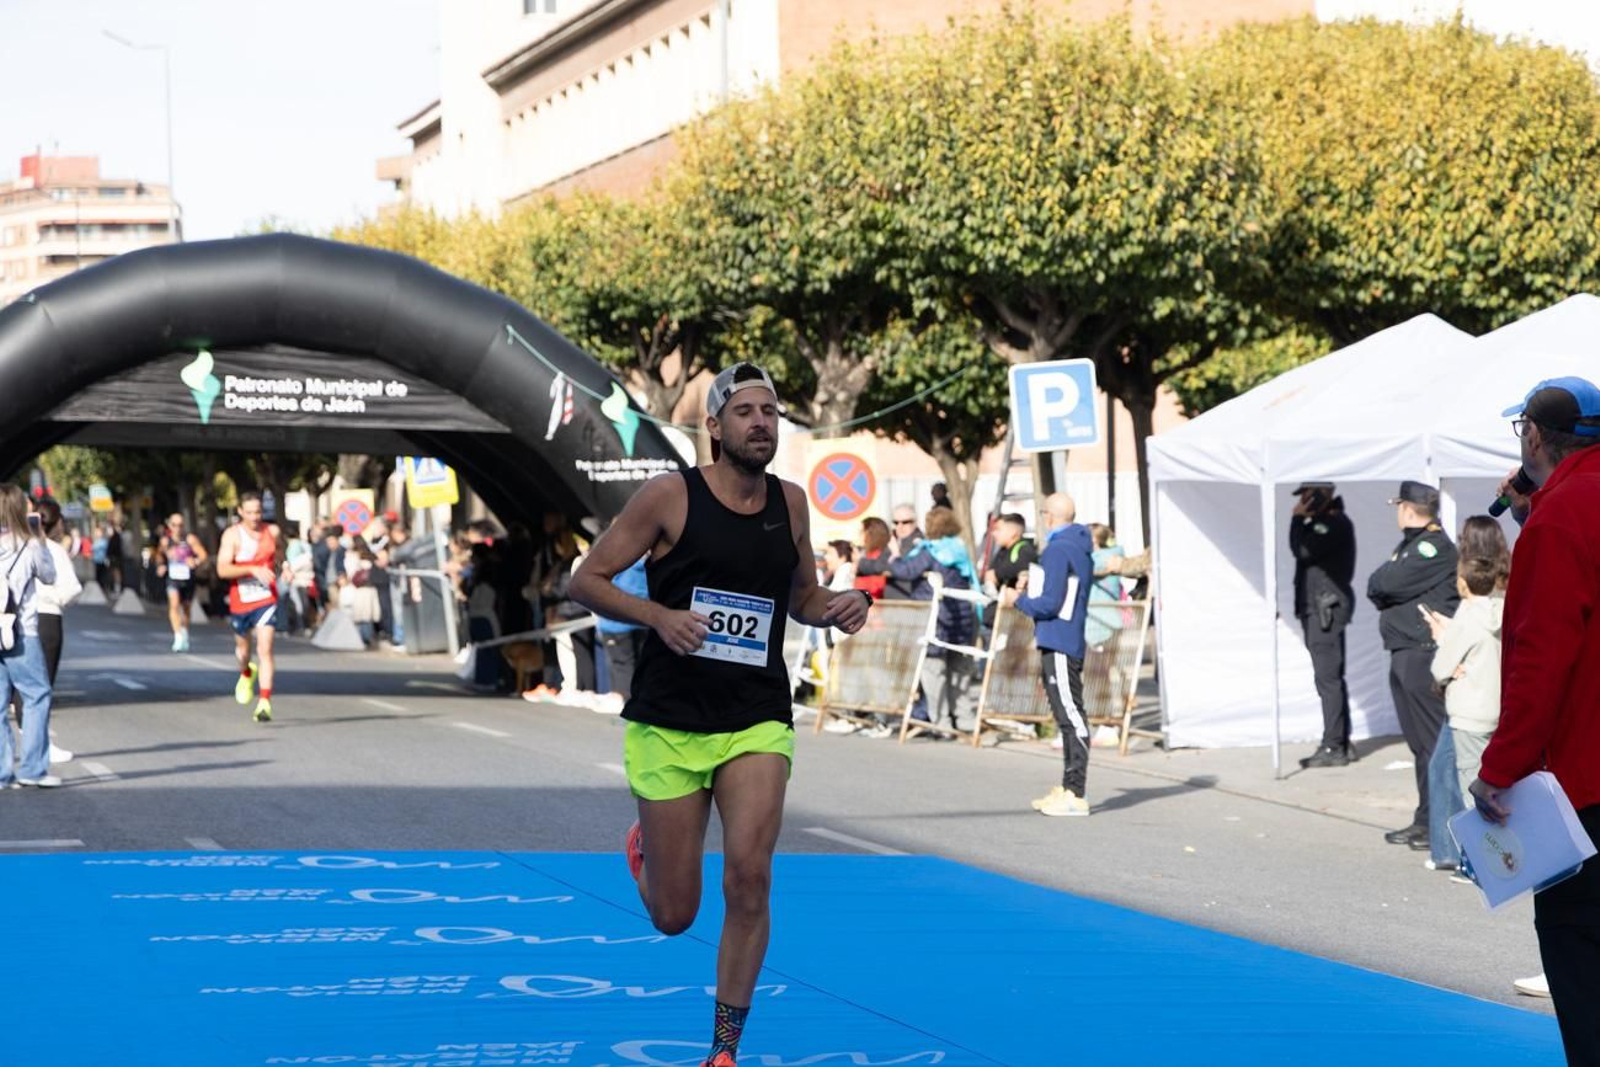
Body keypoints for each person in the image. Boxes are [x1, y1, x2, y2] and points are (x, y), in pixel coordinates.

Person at [568, 362, 869, 1067]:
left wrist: (841, 604)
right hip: (670, 718)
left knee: (750, 875)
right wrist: (657, 616)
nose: (762, 422)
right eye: (747, 412)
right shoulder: (669, 495)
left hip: (756, 715)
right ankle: (645, 852)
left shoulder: (791, 503)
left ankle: (723, 1050)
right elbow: (586, 578)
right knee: (675, 915)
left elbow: (803, 597)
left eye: (771, 412)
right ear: (714, 426)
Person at [1468, 377, 1600, 1063]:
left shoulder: (1562, 514)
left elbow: (1541, 660)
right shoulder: (1557, 510)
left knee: (1582, 958)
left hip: (1585, 779)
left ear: (1533, 437)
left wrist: (1498, 771)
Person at [1366, 480, 1458, 851]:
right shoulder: (1412, 545)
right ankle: (1427, 818)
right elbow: (1378, 585)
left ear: (1408, 508)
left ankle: (1441, 823)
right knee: (1421, 743)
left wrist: (1384, 584)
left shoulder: (1430, 546)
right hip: (1406, 651)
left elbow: (1384, 583)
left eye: (1399, 506)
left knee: (1432, 743)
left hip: (1421, 653)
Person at [1005, 493, 1095, 817]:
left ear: (1050, 517)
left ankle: (1076, 791)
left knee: (1070, 715)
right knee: (1065, 715)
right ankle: (1069, 786)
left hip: (1059, 638)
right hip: (1063, 636)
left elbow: (1049, 603)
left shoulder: (1059, 549)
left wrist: (1018, 599)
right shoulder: (1077, 547)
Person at [1423, 534, 1506, 861]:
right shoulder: (1502, 609)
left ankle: (1478, 858)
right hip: (1497, 706)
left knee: (1472, 785)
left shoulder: (1468, 616)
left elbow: (1441, 668)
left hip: (1469, 712)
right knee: (1495, 781)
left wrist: (1442, 639)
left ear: (1462, 583)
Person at [887, 506, 982, 735]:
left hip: (935, 622)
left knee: (933, 673)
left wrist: (894, 555)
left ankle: (942, 723)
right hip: (962, 621)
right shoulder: (959, 550)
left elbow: (906, 571)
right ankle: (965, 719)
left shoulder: (931, 551)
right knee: (960, 672)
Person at [1288, 482, 1358, 769]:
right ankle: (1341, 741)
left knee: (1328, 680)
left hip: (1324, 610)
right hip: (1316, 608)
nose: (1303, 502)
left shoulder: (1333, 522)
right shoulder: (1318, 522)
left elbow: (1302, 551)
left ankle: (1334, 746)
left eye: (1307, 495)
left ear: (1319, 495)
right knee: (1330, 679)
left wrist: (1296, 519)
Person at [0, 484, 59, 787]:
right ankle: (32, 770)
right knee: (36, 696)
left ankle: (1, 772)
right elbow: (50, 576)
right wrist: (40, 539)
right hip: (22, 631)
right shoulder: (29, 543)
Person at [215, 493, 284, 724]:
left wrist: (286, 567)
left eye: (258, 512)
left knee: (265, 648)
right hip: (241, 600)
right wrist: (252, 569)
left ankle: (264, 702)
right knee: (244, 652)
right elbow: (222, 570)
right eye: (250, 512)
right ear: (241, 512)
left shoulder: (271, 532)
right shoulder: (232, 535)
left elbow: (280, 555)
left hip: (266, 598)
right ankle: (246, 672)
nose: (255, 517)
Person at [27, 496, 79, 766]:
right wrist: (56, 598)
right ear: (57, 522)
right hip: (48, 618)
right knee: (42, 684)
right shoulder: (53, 550)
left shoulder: (20, 545)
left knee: (18, 685)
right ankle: (40, 744)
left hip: (19, 617)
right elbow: (70, 588)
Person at [1082, 523, 1127, 717]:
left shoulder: (1100, 560)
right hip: (1104, 623)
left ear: (1093, 540)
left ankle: (1109, 720)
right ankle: (1109, 717)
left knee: (1101, 675)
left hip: (1101, 625)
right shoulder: (1110, 557)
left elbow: (1087, 568)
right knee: (1106, 674)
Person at [157, 512, 209, 653]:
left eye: (180, 525)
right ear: (170, 526)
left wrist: (195, 561)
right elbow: (159, 556)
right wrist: (161, 565)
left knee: (186, 607)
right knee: (174, 604)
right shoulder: (165, 541)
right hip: (172, 577)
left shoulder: (190, 539)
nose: (177, 528)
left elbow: (203, 555)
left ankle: (184, 630)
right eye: (174, 525)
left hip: (188, 578)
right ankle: (178, 635)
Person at [856, 504, 924, 600]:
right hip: (893, 601)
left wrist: (860, 563)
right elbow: (880, 564)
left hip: (909, 602)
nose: (900, 526)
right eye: (896, 522)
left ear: (915, 523)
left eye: (905, 522)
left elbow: (887, 566)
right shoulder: (893, 541)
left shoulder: (919, 544)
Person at [854, 517, 890, 602]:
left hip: (876, 607)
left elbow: (877, 586)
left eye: (861, 532)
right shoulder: (867, 555)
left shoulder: (879, 556)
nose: (859, 536)